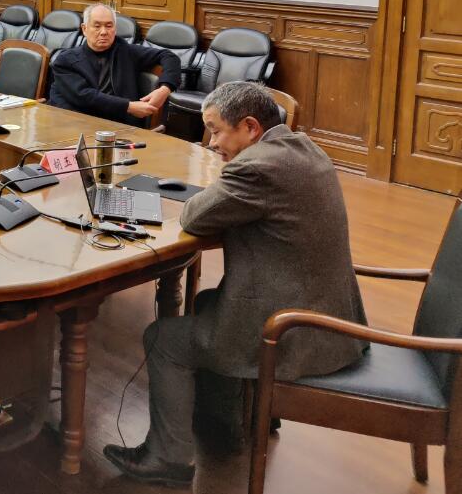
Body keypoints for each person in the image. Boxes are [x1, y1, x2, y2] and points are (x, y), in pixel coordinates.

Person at [102, 82, 367, 487]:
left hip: (294, 333)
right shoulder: (303, 147)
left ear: (250, 127)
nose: (211, 142)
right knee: (210, 300)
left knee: (163, 339)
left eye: (216, 130)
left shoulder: (257, 168)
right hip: (331, 316)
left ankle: (168, 459)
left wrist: (227, 176)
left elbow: (194, 216)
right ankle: (226, 424)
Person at [49, 3, 181, 125]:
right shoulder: (66, 61)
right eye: (97, 26)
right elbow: (85, 96)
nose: (103, 32)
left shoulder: (126, 51)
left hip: (122, 127)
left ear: (115, 29)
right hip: (81, 124)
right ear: (84, 29)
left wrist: (164, 89)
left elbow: (169, 56)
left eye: (109, 26)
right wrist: (128, 106)